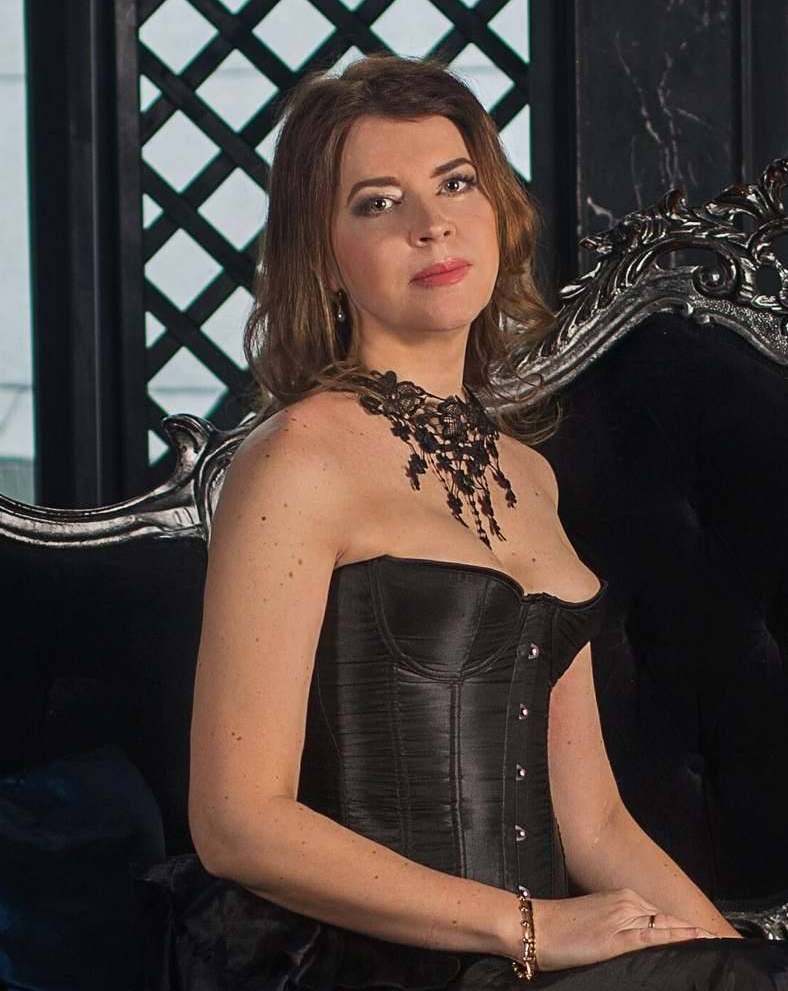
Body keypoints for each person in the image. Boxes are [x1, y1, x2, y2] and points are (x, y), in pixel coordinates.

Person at [138, 54, 788, 989]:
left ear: (496, 211)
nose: (431, 222)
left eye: (454, 183)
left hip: (528, 962)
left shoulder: (528, 478)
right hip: (374, 964)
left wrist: (734, 961)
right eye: (378, 202)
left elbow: (596, 825)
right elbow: (237, 821)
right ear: (323, 255)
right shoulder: (294, 460)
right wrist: (531, 928)